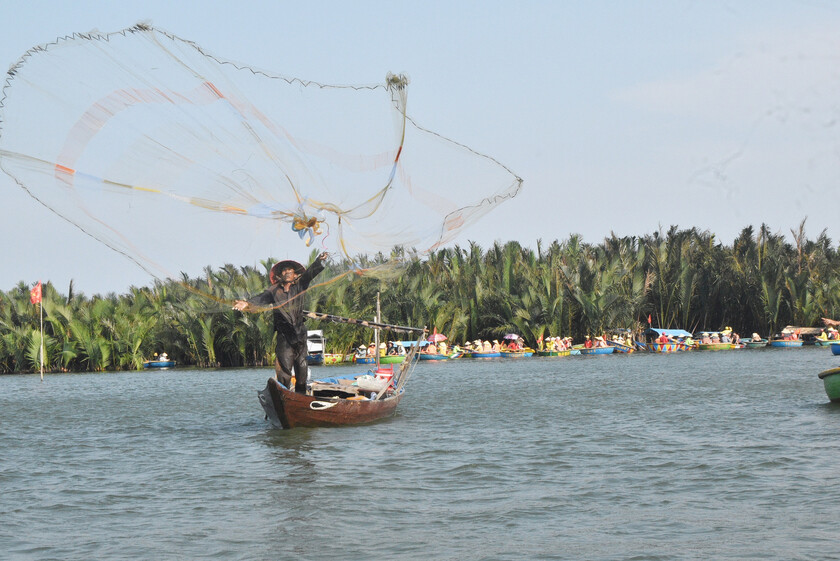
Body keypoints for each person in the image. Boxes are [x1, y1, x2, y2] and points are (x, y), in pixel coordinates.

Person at [233, 252, 328, 393]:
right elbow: (261, 299)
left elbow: (310, 273)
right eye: (284, 270)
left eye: (290, 270)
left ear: (295, 275)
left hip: (300, 333)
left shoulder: (300, 285)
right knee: (284, 369)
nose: (287, 272)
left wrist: (319, 260)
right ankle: (284, 395)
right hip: (284, 336)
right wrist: (246, 303)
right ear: (279, 275)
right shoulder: (274, 291)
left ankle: (300, 395)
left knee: (302, 368)